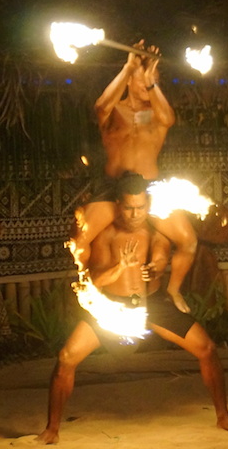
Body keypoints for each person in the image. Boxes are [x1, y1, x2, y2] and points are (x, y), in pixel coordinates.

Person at [35, 173, 228, 444]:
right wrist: (118, 267)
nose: (135, 214)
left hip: (151, 305)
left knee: (207, 349)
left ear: (148, 205)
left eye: (141, 208)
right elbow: (94, 282)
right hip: (110, 306)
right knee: (66, 358)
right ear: (118, 205)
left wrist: (154, 267)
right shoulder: (105, 235)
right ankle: (51, 430)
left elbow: (159, 253)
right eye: (129, 208)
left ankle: (224, 416)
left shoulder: (155, 230)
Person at [72, 42, 197, 314]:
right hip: (113, 189)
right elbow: (100, 107)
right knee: (78, 240)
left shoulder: (157, 115)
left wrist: (152, 83)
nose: (148, 87)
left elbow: (170, 119)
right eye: (143, 82)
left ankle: (173, 291)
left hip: (151, 190)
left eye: (153, 81)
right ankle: (86, 287)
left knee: (188, 240)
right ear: (129, 81)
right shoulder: (114, 111)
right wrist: (129, 66)